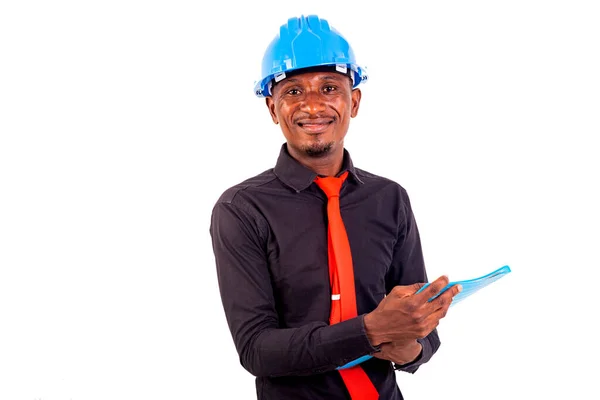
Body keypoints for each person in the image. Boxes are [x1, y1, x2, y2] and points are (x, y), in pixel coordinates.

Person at [210, 14, 462, 400]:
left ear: (354, 101)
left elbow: (422, 341)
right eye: (293, 91)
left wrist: (408, 344)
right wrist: (372, 330)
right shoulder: (242, 209)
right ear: (273, 110)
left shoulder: (389, 198)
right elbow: (256, 350)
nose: (313, 106)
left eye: (329, 87)